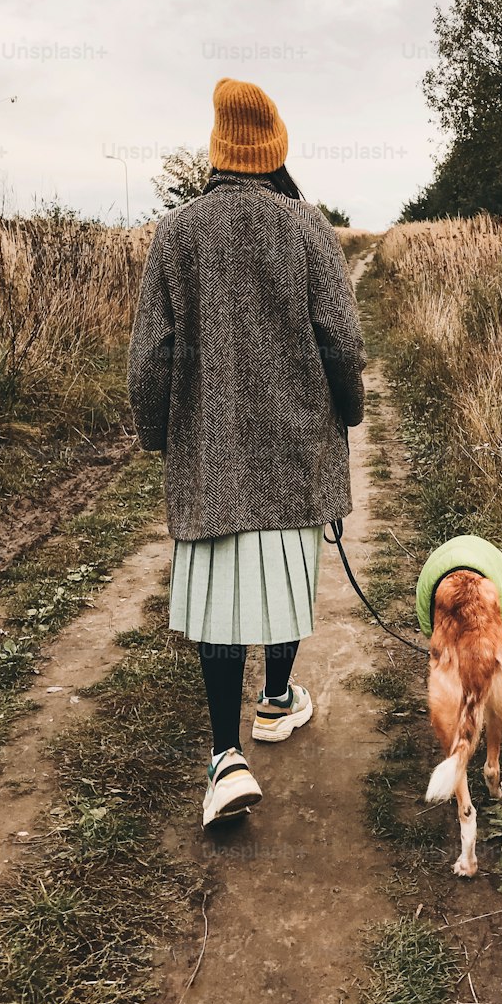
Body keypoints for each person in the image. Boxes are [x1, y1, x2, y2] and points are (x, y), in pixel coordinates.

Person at [127, 77, 366, 827]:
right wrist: (348, 413)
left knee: (219, 600)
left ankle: (225, 756)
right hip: (294, 451)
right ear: (275, 149)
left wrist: (163, 438)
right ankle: (277, 699)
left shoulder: (177, 233)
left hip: (211, 455)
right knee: (285, 574)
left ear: (219, 149)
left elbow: (149, 362)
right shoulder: (306, 227)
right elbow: (343, 342)